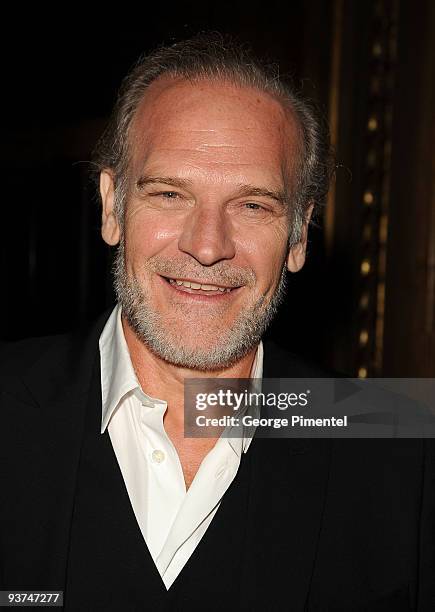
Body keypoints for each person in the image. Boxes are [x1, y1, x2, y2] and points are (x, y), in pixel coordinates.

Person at [1, 33, 434, 611]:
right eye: (170, 194)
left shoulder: (402, 444)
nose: (208, 247)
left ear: (300, 233)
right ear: (112, 206)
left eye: (252, 205)